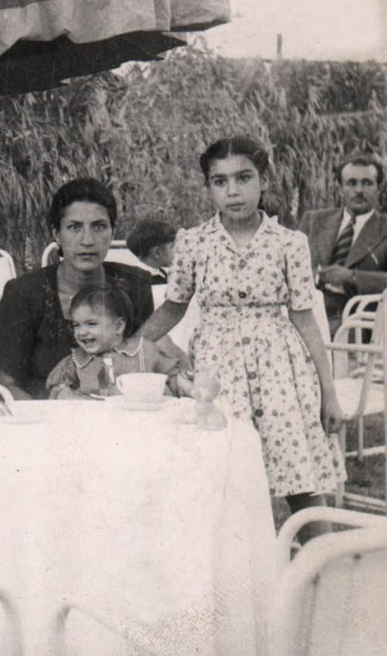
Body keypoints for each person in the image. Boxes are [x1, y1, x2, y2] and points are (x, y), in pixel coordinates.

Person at [139, 137, 346, 541]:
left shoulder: (289, 242)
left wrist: (329, 393)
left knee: (299, 480)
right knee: (223, 477)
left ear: (263, 181)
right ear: (209, 188)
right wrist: (130, 344)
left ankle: (326, 566)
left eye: (244, 178)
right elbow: (173, 307)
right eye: (220, 181)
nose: (233, 191)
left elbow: (304, 319)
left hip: (280, 371)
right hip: (219, 372)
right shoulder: (194, 242)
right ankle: (238, 569)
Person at [0, 178, 155, 399]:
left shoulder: (135, 284)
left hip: (124, 410)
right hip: (45, 413)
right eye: (74, 227)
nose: (87, 240)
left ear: (112, 233)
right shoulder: (24, 293)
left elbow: (148, 362)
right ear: (56, 234)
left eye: (99, 226)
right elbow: (6, 385)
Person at [297, 155, 387, 334]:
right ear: (340, 189)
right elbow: (288, 265)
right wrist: (315, 276)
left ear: (379, 188)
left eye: (367, 183)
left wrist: (351, 277)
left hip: (357, 320)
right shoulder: (314, 221)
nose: (359, 190)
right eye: (351, 183)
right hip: (308, 312)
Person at [46, 284, 180, 399]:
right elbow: (57, 387)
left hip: (138, 416)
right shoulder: (76, 361)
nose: (81, 332)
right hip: (93, 418)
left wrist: (179, 385)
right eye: (76, 325)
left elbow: (173, 378)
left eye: (91, 324)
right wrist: (64, 394)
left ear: (118, 326)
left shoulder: (144, 350)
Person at [126, 218, 177, 285]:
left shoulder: (161, 273)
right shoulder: (143, 281)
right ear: (157, 253)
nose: (177, 251)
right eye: (172, 247)